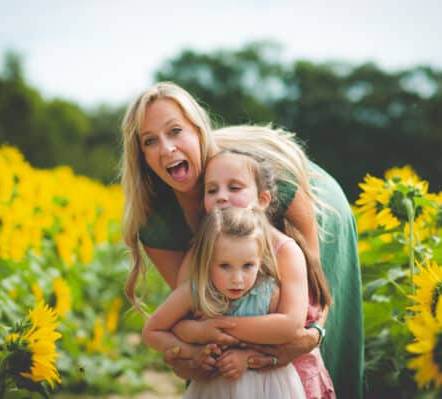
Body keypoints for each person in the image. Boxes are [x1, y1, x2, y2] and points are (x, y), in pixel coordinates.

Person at [120, 82, 363, 398]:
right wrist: (190, 356)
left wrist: (309, 337)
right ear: (142, 156)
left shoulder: (266, 185)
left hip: (320, 211)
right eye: (150, 141)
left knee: (316, 357)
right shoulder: (158, 223)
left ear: (199, 131)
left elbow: (312, 301)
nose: (166, 148)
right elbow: (195, 309)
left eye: (175, 131)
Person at [143, 206, 306, 399]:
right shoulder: (195, 292)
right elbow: (152, 331)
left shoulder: (269, 294)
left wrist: (247, 358)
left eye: (248, 266)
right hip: (215, 389)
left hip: (267, 387)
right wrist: (193, 352)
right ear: (207, 260)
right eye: (224, 266)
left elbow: (283, 343)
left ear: (260, 260)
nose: (237, 279)